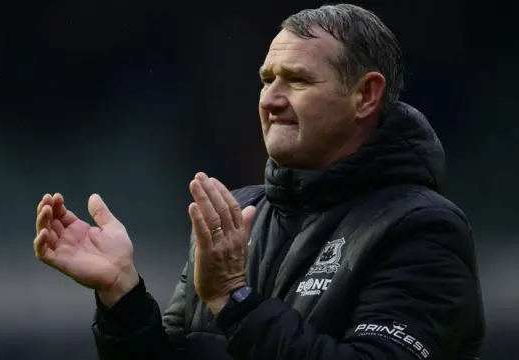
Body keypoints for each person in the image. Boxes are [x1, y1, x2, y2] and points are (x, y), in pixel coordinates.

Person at [33, 4, 485, 360]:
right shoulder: (236, 216)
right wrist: (121, 295)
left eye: (298, 80)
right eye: (267, 79)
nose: (270, 99)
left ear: (365, 96)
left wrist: (235, 300)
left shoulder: (423, 230)